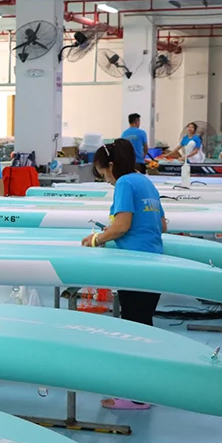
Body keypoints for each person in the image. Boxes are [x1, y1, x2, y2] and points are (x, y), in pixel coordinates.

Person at [80, 139, 167, 411]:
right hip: (154, 261)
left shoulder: (124, 184)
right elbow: (161, 223)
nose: (105, 180)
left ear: (112, 167)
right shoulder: (145, 181)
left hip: (135, 265)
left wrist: (98, 238)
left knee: (133, 328)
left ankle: (136, 396)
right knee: (143, 324)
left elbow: (122, 225)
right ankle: (144, 389)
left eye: (103, 173)